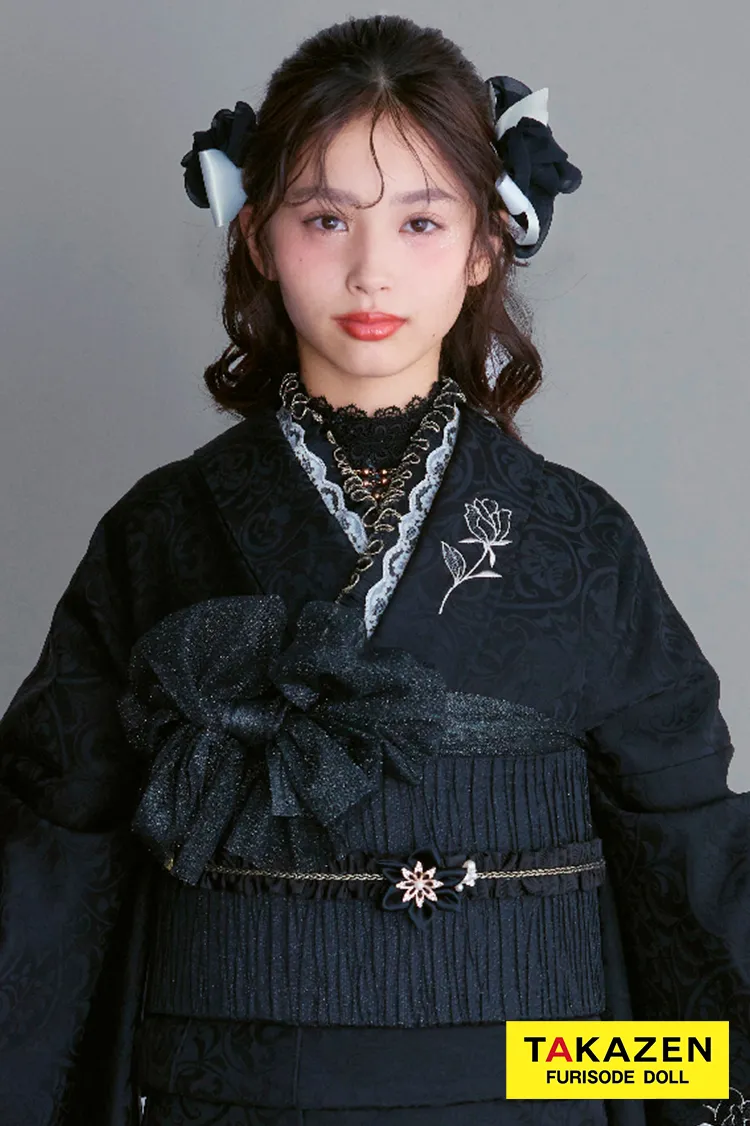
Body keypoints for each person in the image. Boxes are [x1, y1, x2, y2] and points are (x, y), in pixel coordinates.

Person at [0, 13, 747, 1126]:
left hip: (531, 1084)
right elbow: (55, 851)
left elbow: (684, 848)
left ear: (487, 244)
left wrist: (684, 1084)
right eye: (325, 218)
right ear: (256, 236)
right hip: (227, 1090)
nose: (371, 269)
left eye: (421, 220)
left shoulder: (577, 537)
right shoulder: (160, 530)